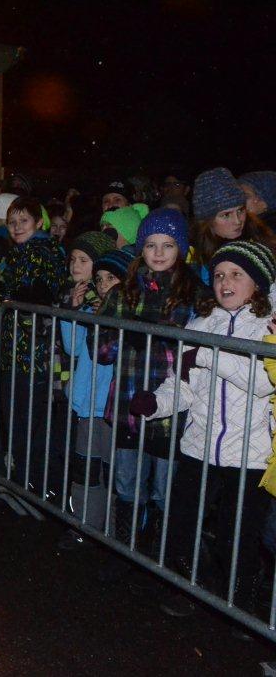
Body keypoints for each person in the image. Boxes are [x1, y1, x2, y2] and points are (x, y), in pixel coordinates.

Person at [132, 241, 276, 618]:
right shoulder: (200, 324)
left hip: (250, 455)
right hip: (198, 446)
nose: (225, 282)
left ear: (258, 284)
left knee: (236, 536)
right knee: (181, 526)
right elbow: (182, 384)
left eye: (237, 275)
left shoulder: (267, 327)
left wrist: (208, 355)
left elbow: (264, 381)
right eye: (219, 275)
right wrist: (157, 404)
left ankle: (242, 607)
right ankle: (189, 588)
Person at [94, 208, 205, 577]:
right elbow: (100, 348)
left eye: (167, 245)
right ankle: (125, 549)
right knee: (127, 481)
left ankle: (156, 555)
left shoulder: (192, 294)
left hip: (171, 411)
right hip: (128, 401)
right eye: (151, 245)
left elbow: (197, 351)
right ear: (141, 248)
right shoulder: (123, 292)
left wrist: (159, 339)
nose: (158, 253)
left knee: (164, 487)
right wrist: (123, 336)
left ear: (181, 249)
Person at [0, 196, 67, 492]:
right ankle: (23, 486)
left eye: (24, 221)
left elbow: (26, 297)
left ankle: (33, 488)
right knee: (17, 425)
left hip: (34, 355)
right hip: (14, 352)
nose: (17, 227)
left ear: (39, 223)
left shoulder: (44, 252)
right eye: (12, 222)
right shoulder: (16, 253)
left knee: (29, 426)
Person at [57, 232, 120, 545]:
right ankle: (83, 524)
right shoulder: (87, 307)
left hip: (108, 404)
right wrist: (72, 310)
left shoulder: (121, 311)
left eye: (84, 260)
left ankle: (111, 530)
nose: (75, 266)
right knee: (86, 468)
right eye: (73, 260)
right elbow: (72, 347)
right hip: (87, 401)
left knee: (110, 470)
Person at [192, 167, 276, 290]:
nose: (237, 221)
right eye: (226, 215)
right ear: (207, 220)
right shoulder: (191, 256)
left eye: (240, 210)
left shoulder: (264, 239)